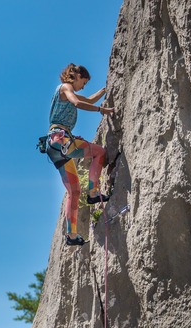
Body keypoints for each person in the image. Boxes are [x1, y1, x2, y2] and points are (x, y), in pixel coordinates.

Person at [46, 63, 115, 246]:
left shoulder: (68, 92)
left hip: (55, 147)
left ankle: (72, 236)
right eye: (83, 82)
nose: (83, 86)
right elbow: (77, 103)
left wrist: (105, 90)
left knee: (74, 192)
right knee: (99, 153)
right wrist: (102, 111)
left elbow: (88, 100)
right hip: (62, 140)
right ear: (76, 75)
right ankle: (93, 192)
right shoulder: (66, 87)